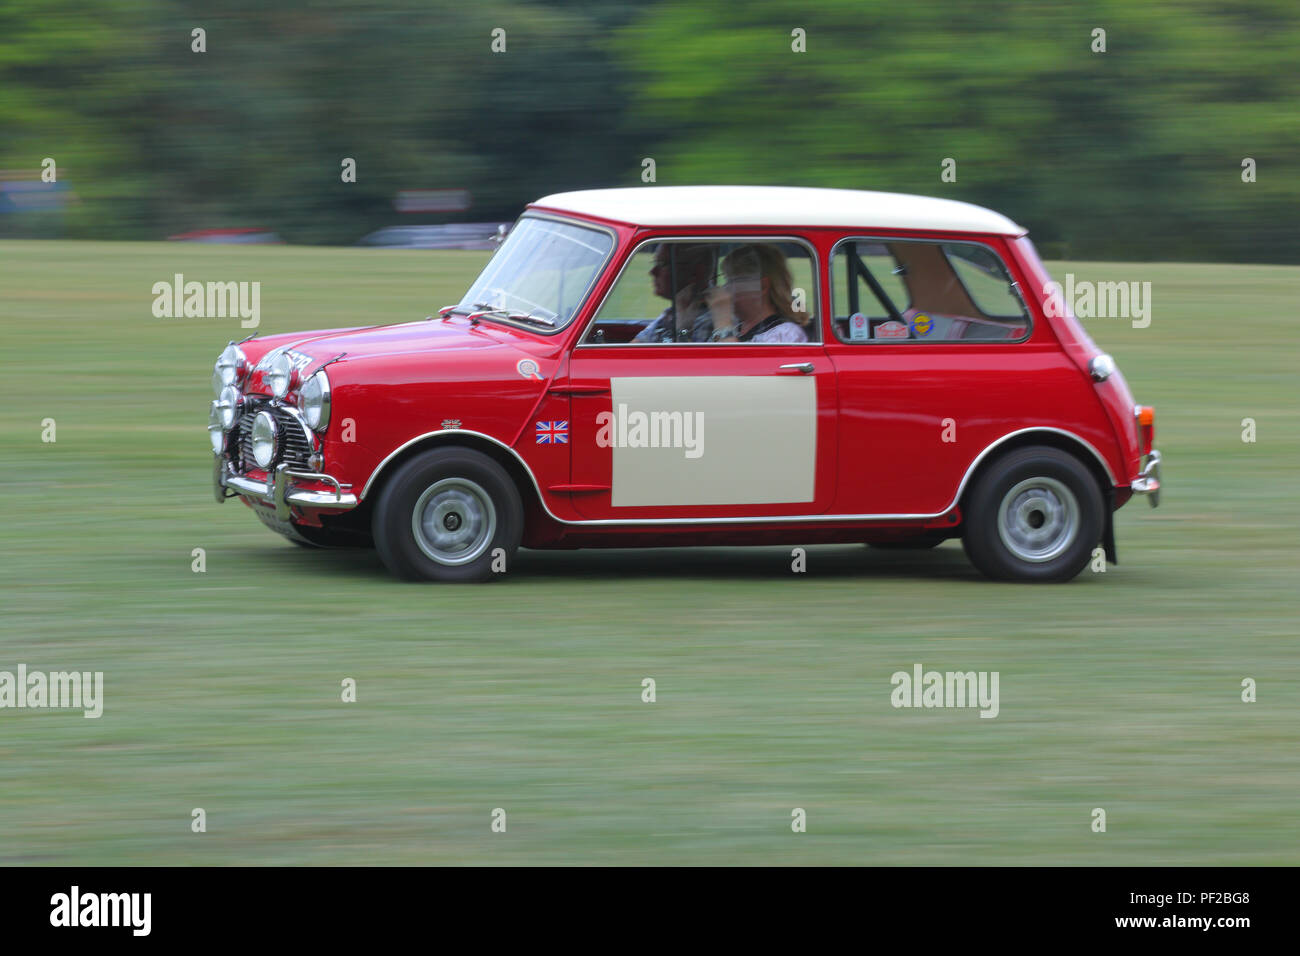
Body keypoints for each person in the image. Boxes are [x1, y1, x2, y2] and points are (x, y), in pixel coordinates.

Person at [706, 244, 809, 343]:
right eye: (726, 280)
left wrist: (723, 322)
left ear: (762, 285)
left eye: (732, 280)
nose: (725, 288)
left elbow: (732, 361)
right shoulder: (736, 327)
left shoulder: (786, 333)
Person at [633, 243, 715, 343]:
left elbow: (685, 357)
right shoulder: (675, 310)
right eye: (655, 263)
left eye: (662, 264)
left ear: (696, 271)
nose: (653, 271)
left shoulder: (709, 318)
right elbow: (635, 346)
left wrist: (683, 328)